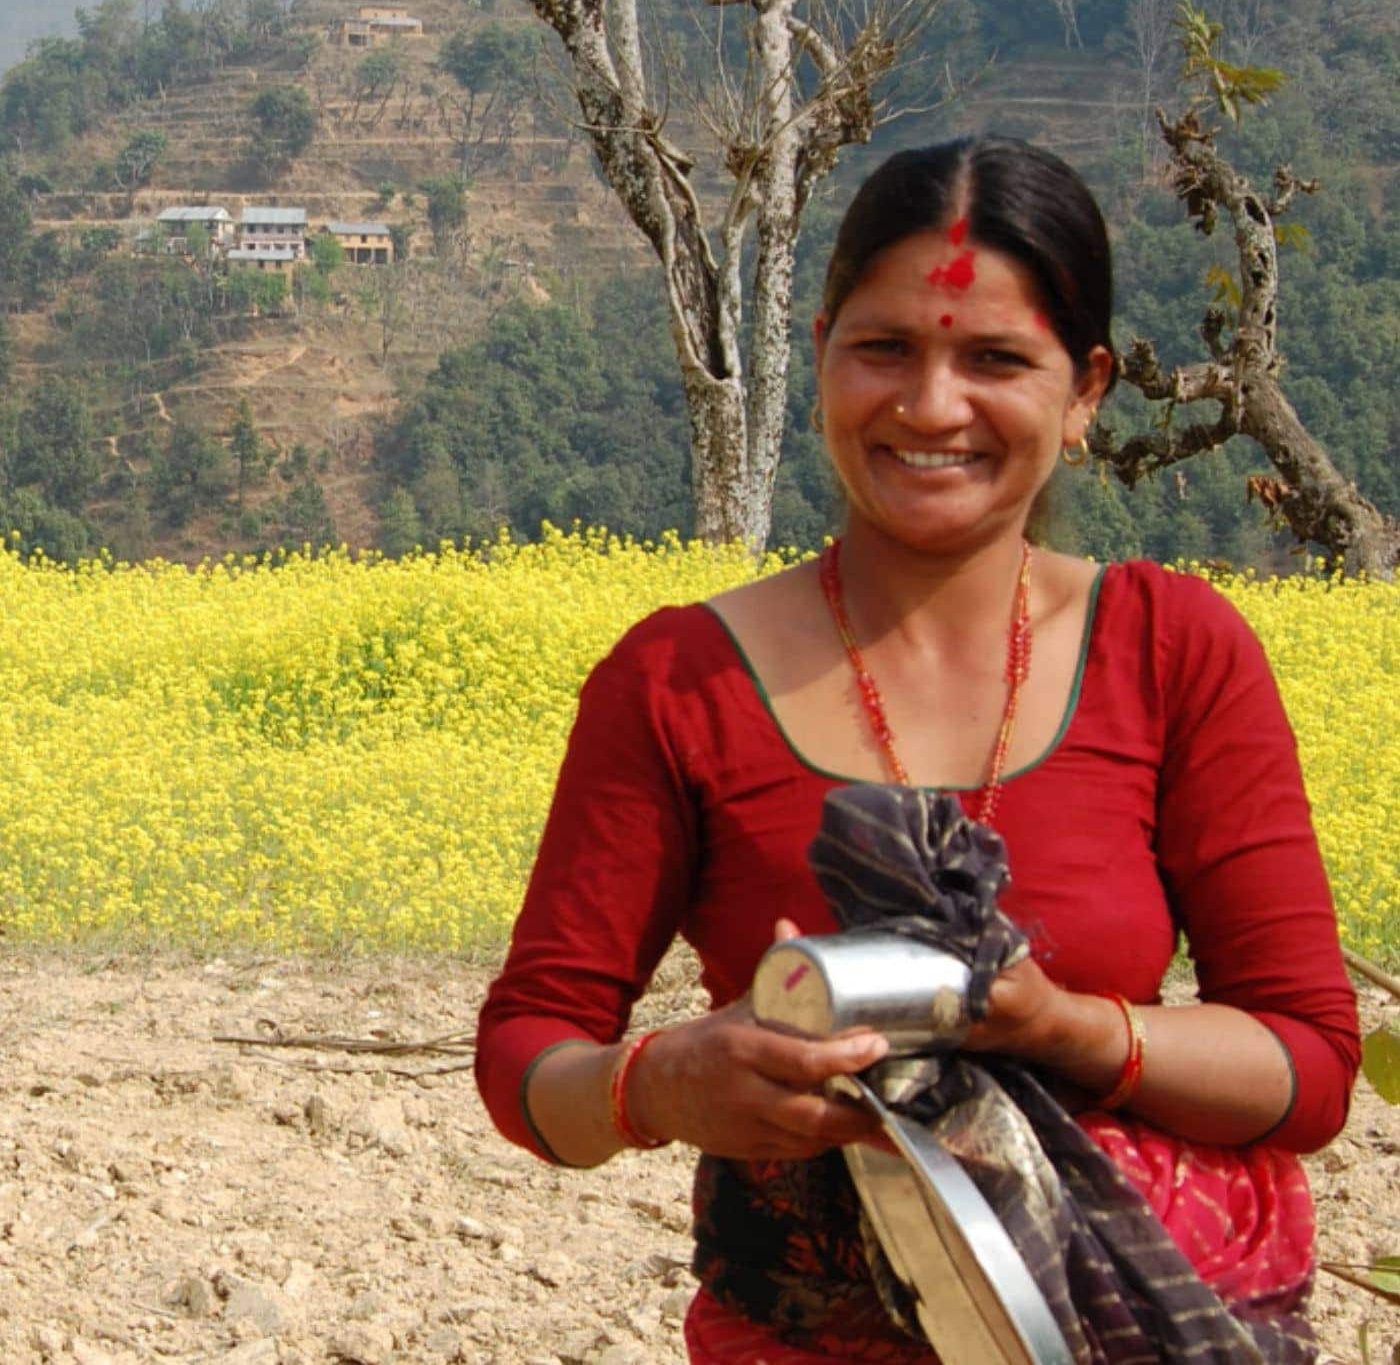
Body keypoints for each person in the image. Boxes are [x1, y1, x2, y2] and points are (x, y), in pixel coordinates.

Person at [475, 136, 1359, 1362]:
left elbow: (1307, 1066)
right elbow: (529, 1054)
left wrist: (1064, 1028)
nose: (929, 405)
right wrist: (661, 1085)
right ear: (824, 348)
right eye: (883, 347)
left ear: (1084, 388)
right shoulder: (675, 678)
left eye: (995, 358)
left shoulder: (1173, 650)